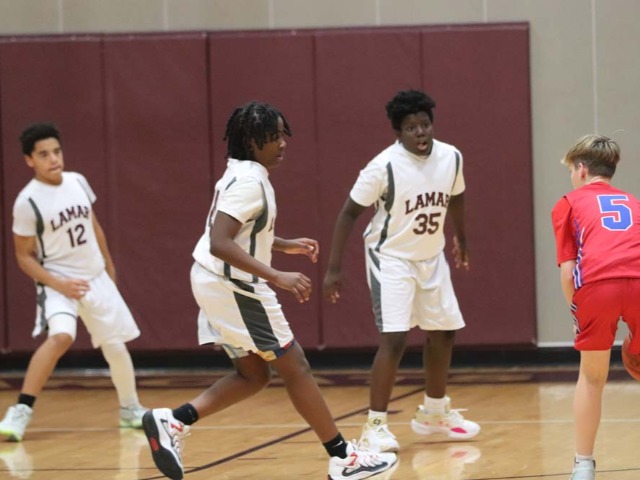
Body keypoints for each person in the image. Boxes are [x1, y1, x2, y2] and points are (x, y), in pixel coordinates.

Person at [141, 101, 397, 480]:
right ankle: (344, 457)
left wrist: (284, 244)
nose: (283, 142)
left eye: (282, 135)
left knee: (253, 375)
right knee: (296, 365)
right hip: (233, 285)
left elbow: (240, 232)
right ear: (251, 140)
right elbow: (219, 241)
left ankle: (174, 421)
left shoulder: (241, 172)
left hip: (213, 281)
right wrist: (277, 275)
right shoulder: (250, 182)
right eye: (274, 136)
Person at [323, 89, 480, 453]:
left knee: (444, 332)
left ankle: (434, 414)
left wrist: (461, 238)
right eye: (411, 127)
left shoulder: (451, 157)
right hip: (391, 257)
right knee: (395, 338)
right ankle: (375, 426)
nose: (420, 132)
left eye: (425, 124)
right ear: (398, 132)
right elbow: (348, 213)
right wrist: (333, 268)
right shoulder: (383, 167)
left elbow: (456, 196)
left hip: (431, 255)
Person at [0, 123, 147, 442]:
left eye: (56, 151)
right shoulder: (27, 202)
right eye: (43, 154)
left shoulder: (77, 181)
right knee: (61, 336)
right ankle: (20, 410)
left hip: (95, 276)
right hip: (58, 282)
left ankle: (130, 409)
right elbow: (24, 257)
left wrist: (108, 269)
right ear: (29, 160)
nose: (53, 159)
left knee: (115, 344)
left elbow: (95, 227)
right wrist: (59, 284)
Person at [551, 134, 640, 480]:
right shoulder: (633, 202)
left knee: (591, 377)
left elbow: (567, 271)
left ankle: (583, 466)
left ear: (581, 169)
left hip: (599, 284)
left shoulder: (568, 202)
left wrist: (576, 311)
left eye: (571, 171)